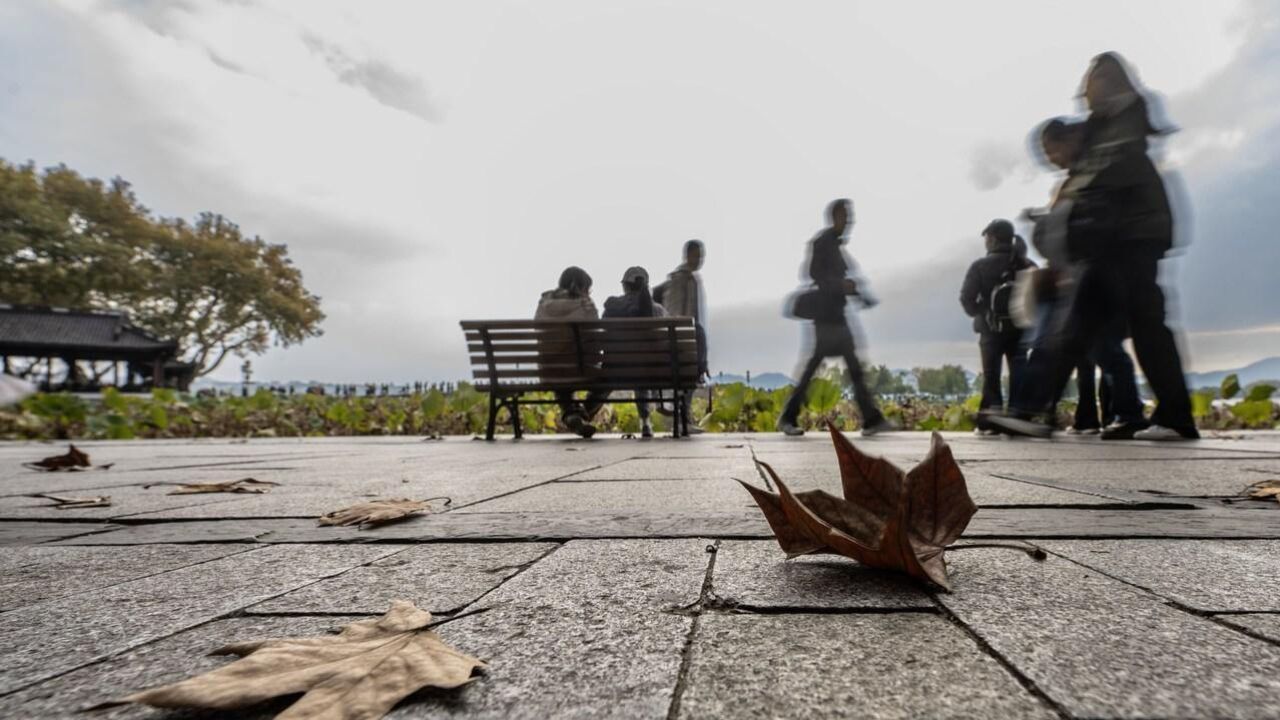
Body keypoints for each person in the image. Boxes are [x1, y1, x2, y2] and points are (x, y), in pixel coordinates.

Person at [992, 53, 1197, 440]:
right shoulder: (1105, 126)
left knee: (1138, 325)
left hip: (1130, 238)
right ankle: (1034, 410)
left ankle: (1173, 416)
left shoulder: (1123, 121)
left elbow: (1108, 174)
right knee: (1084, 326)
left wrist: (1075, 198)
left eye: (1091, 84)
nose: (1086, 96)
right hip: (1111, 242)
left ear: (1109, 82)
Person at [777, 199, 893, 437]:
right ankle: (788, 417)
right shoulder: (822, 242)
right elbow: (813, 274)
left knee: (850, 368)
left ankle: (871, 418)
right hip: (827, 318)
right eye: (845, 216)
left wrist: (859, 295)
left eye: (850, 217)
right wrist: (840, 286)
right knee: (820, 368)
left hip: (837, 316)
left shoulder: (836, 247)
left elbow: (844, 281)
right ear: (835, 217)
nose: (849, 221)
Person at [960, 219, 1036, 433]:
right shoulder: (1027, 264)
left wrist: (982, 313)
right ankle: (1019, 416)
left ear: (992, 238)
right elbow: (1037, 296)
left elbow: (966, 298)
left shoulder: (980, 266)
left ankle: (990, 421)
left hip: (990, 330)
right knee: (1019, 370)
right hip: (1020, 328)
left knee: (991, 374)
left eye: (986, 237)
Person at [534, 266, 604, 438]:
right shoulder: (586, 306)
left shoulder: (543, 305)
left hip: (549, 371)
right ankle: (581, 414)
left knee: (560, 378)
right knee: (608, 379)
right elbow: (595, 345)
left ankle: (573, 415)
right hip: (582, 371)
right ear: (582, 288)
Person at [603, 266, 666, 438]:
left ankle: (584, 413)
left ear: (625, 286)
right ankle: (645, 422)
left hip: (615, 370)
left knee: (610, 376)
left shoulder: (611, 309)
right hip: (650, 371)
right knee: (643, 368)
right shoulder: (657, 310)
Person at [654, 239, 709, 433]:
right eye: (697, 255)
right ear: (687, 255)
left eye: (702, 255)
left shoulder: (688, 278)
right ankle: (683, 418)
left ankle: (683, 418)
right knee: (691, 373)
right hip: (681, 343)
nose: (700, 259)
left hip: (685, 341)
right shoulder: (681, 279)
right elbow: (675, 314)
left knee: (693, 371)